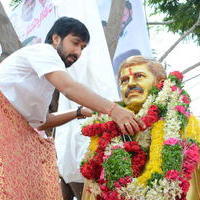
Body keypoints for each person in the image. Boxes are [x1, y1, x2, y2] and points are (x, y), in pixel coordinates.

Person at [0, 17, 145, 200]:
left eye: (82, 48)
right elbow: (69, 88)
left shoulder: (45, 77)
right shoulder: (43, 52)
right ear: (56, 39)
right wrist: (114, 110)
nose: (77, 52)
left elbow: (41, 122)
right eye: (75, 43)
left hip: (16, 137)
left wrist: (78, 113)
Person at [81, 56, 200, 200]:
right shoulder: (105, 134)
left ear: (160, 83)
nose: (130, 84)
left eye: (139, 76)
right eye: (124, 81)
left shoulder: (186, 125)